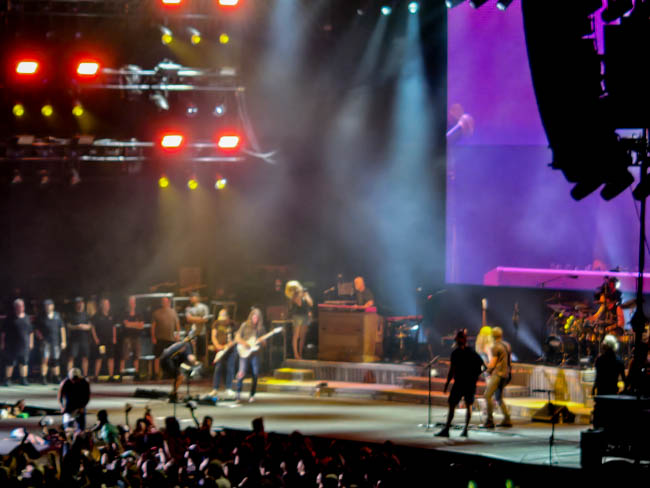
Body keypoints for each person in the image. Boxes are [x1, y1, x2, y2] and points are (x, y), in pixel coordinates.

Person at [436, 330, 485, 438]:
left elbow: (452, 370)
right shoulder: (472, 352)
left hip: (459, 383)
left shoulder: (456, 353)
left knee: (453, 405)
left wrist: (447, 383)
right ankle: (465, 430)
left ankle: (447, 429)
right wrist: (475, 376)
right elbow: (483, 366)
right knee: (468, 405)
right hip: (470, 383)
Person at [482, 326, 512, 428]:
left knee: (487, 395)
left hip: (498, 374)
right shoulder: (506, 345)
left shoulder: (495, 347)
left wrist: (486, 371)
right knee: (499, 397)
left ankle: (489, 421)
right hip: (505, 374)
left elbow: (493, 364)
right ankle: (507, 419)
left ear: (492, 336)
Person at [235, 308, 266, 403]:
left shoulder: (261, 329)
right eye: (254, 317)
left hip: (255, 353)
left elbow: (264, 344)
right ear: (251, 316)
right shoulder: (244, 325)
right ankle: (238, 395)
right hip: (244, 351)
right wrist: (244, 343)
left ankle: (252, 395)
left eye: (257, 318)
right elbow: (237, 337)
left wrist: (262, 341)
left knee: (255, 374)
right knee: (241, 372)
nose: (255, 319)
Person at [1, 298, 34, 386]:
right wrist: (2, 343)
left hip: (24, 345)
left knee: (24, 362)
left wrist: (31, 343)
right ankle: (7, 380)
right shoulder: (9, 318)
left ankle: (23, 379)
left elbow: (31, 332)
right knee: (10, 363)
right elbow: (3, 332)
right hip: (12, 345)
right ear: (15, 307)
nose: (21, 308)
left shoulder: (27, 318)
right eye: (19, 306)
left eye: (22, 306)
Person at [208, 308, 238, 399]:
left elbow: (236, 337)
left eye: (224, 319)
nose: (222, 321)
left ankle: (229, 388)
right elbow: (213, 336)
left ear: (228, 317)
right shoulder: (216, 323)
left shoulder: (233, 324)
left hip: (230, 350)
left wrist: (230, 344)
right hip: (220, 350)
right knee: (218, 368)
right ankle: (215, 388)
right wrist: (217, 345)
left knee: (230, 368)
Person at [36, 299, 66, 384]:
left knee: (55, 360)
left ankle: (56, 377)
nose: (47, 307)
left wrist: (63, 341)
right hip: (45, 342)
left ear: (52, 306)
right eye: (46, 305)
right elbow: (36, 328)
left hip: (55, 341)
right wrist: (40, 336)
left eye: (49, 305)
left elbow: (62, 328)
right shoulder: (41, 316)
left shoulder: (57, 315)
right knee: (45, 359)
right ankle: (43, 377)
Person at [151, 296, 181, 379]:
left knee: (170, 357)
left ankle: (169, 373)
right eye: (163, 301)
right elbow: (153, 326)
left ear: (169, 302)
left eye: (166, 301)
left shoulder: (173, 312)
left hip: (170, 339)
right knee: (158, 357)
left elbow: (177, 324)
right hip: (160, 339)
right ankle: (157, 374)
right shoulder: (156, 313)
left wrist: (178, 334)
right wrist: (153, 337)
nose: (164, 303)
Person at [286, 281, 313, 360]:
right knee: (296, 335)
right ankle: (296, 354)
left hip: (305, 316)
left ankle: (300, 354)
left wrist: (306, 295)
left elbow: (311, 303)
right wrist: (300, 295)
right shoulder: (295, 295)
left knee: (303, 336)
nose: (302, 290)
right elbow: (299, 303)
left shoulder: (305, 294)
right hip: (297, 316)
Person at [67, 297, 93, 377]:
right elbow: (68, 326)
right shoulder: (71, 314)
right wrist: (76, 327)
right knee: (71, 357)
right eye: (78, 303)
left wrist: (83, 326)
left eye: (82, 303)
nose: (80, 304)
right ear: (76, 304)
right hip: (74, 340)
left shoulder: (86, 315)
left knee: (85, 358)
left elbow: (90, 326)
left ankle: (85, 375)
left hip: (85, 340)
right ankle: (69, 376)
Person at [91, 298, 116, 380]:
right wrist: (96, 338)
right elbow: (92, 327)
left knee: (111, 357)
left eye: (108, 304)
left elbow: (114, 327)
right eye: (105, 304)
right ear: (101, 305)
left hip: (110, 341)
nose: (107, 306)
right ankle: (96, 376)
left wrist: (114, 337)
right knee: (100, 357)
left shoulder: (111, 315)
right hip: (101, 342)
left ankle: (111, 376)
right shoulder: (97, 316)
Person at [120, 296, 144, 377]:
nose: (132, 303)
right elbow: (126, 325)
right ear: (128, 303)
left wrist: (131, 324)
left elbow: (141, 326)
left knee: (136, 356)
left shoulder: (139, 313)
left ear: (135, 303)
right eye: (130, 302)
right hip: (127, 337)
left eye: (133, 302)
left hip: (136, 337)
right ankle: (121, 373)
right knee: (124, 356)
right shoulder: (125, 313)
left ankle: (136, 374)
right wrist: (136, 324)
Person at [185, 292, 210, 361]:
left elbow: (206, 319)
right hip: (192, 334)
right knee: (192, 353)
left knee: (202, 353)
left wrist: (193, 318)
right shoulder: (188, 308)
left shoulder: (204, 307)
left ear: (197, 298)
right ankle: (194, 366)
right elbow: (188, 319)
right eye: (191, 297)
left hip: (202, 333)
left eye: (193, 297)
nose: (191, 298)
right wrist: (200, 318)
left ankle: (201, 366)